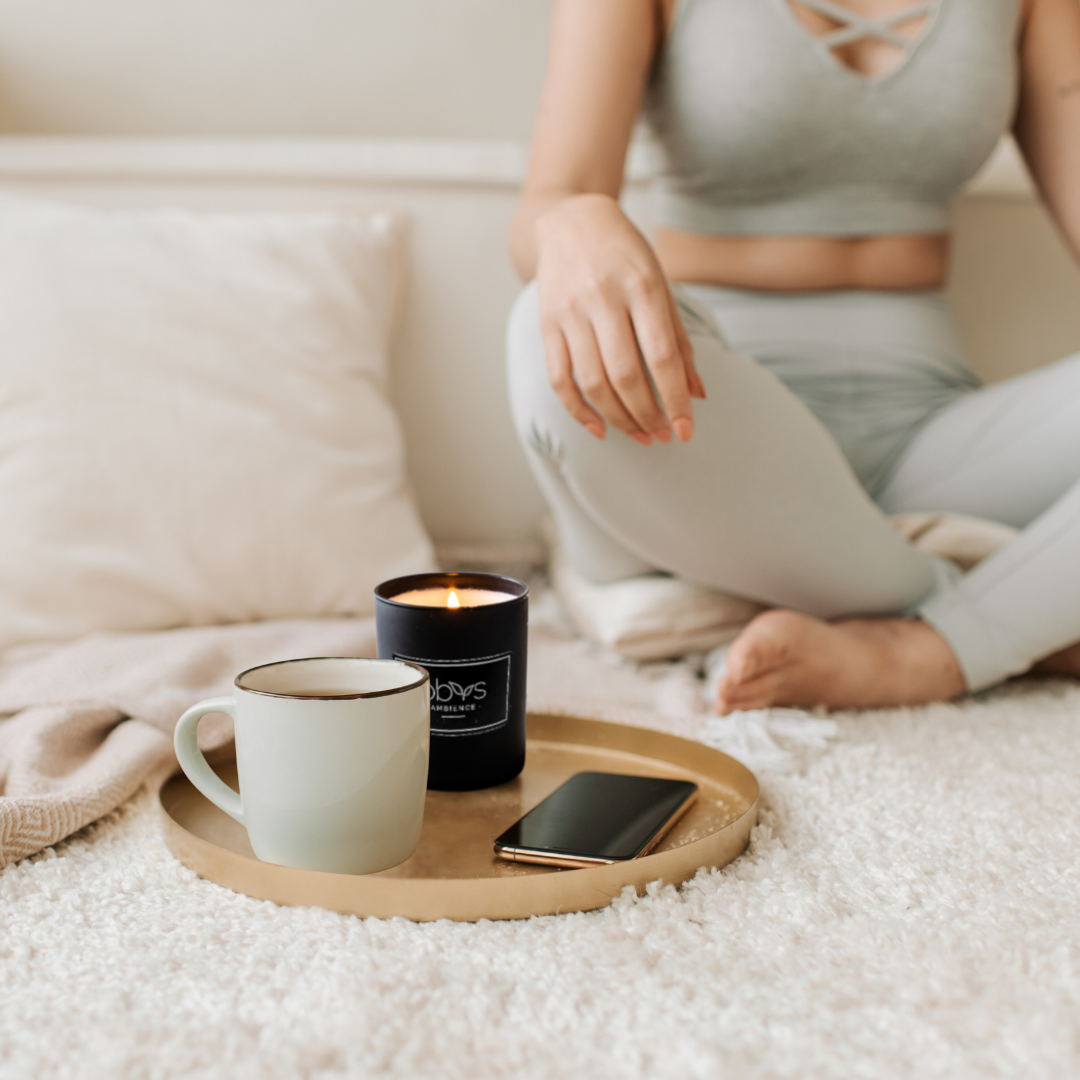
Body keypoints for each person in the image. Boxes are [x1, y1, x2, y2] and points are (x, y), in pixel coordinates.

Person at [505, 0, 1080, 714]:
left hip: (932, 447)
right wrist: (572, 220)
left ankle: (926, 651)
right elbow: (550, 197)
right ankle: (1016, 608)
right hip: (706, 435)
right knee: (538, 330)